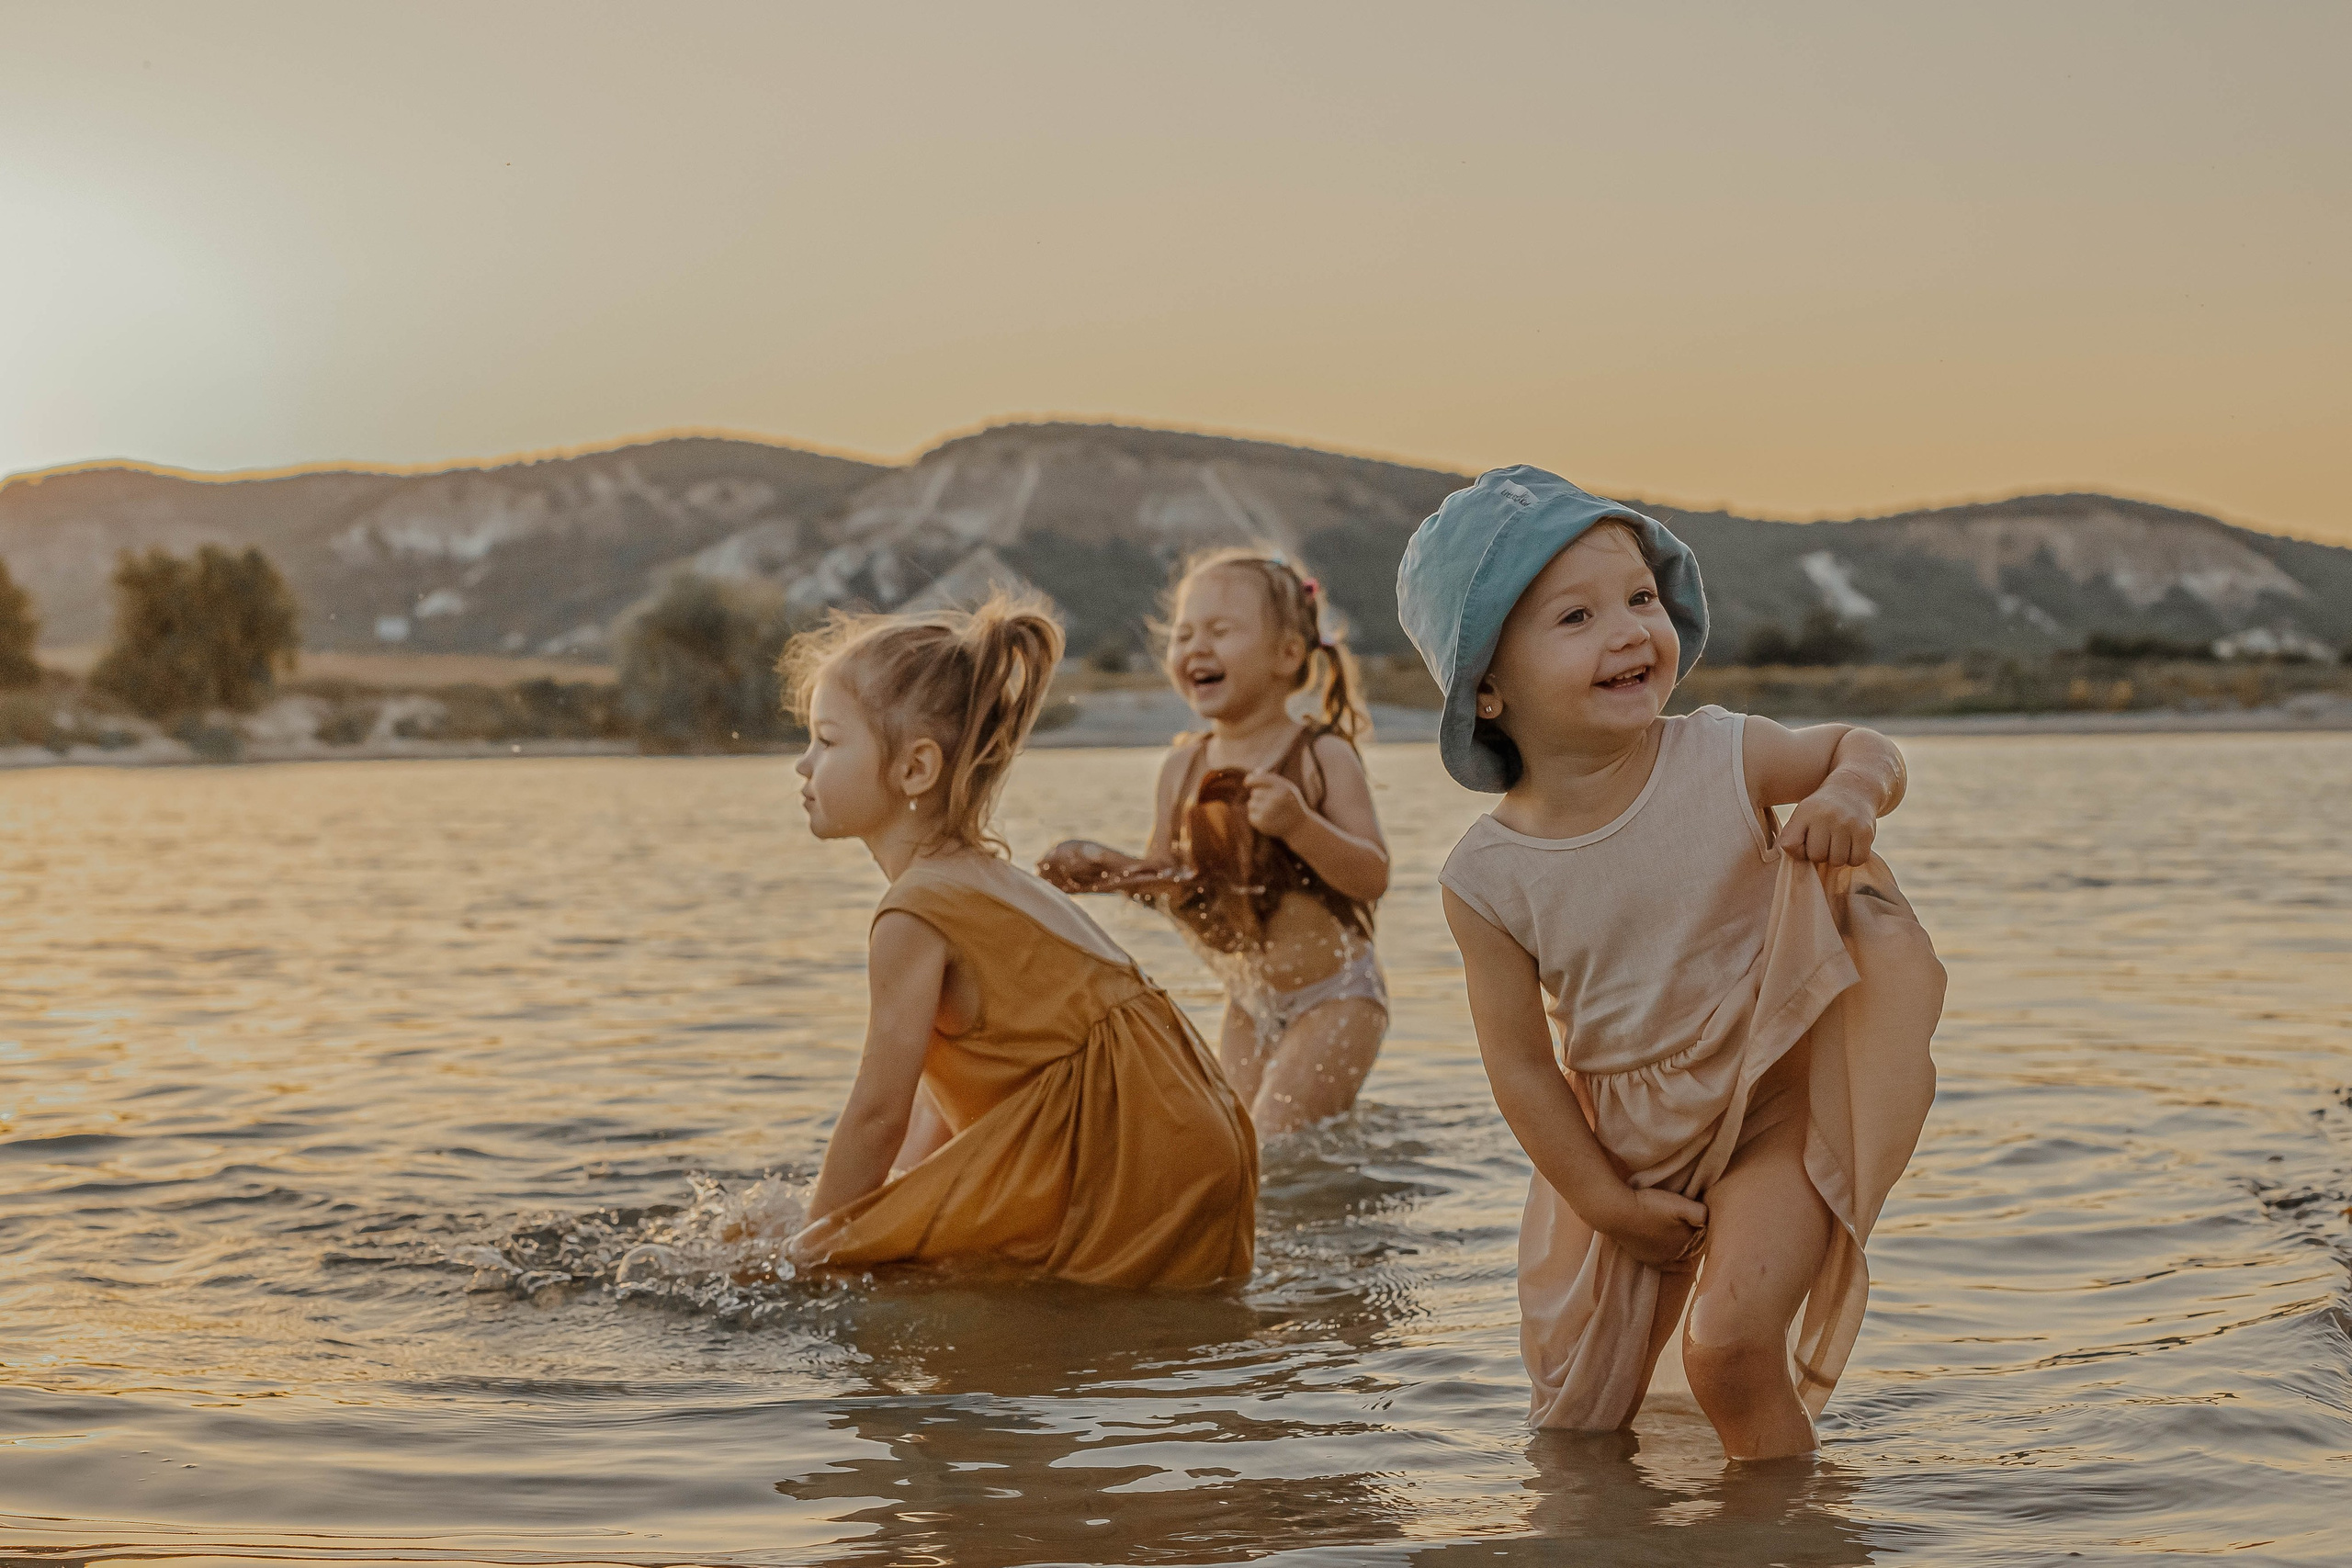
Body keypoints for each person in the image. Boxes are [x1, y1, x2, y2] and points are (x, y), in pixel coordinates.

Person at [1396, 468, 1944, 1460]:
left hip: (1773, 1105)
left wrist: (1852, 793)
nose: (1628, 631)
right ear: (1487, 687)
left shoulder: (1721, 758)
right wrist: (1604, 1201)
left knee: (1728, 1350)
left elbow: (1862, 745)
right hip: (1629, 1144)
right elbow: (1521, 1068)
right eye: (1576, 616)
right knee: (1581, 1425)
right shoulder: (1485, 877)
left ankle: (1783, 1541)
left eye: (1641, 599)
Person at [781, 593, 1256, 1290]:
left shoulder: (912, 911)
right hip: (1197, 1138)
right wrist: (886, 1209)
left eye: (826, 739)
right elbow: (939, 1101)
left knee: (864, 1279)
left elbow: (875, 1111)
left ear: (915, 769)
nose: (802, 764)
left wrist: (809, 1253)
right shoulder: (986, 877)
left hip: (1135, 1161)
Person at [1038, 549, 1391, 1139]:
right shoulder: (1181, 766)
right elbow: (1170, 882)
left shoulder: (1321, 756)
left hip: (1339, 995)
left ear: (1287, 654)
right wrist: (1110, 873)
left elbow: (1372, 877)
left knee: (1277, 1138)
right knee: (1236, 1145)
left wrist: (1300, 826)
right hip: (1250, 1002)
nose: (1195, 648)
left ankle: (1332, 1225)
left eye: (1220, 632)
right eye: (1182, 635)